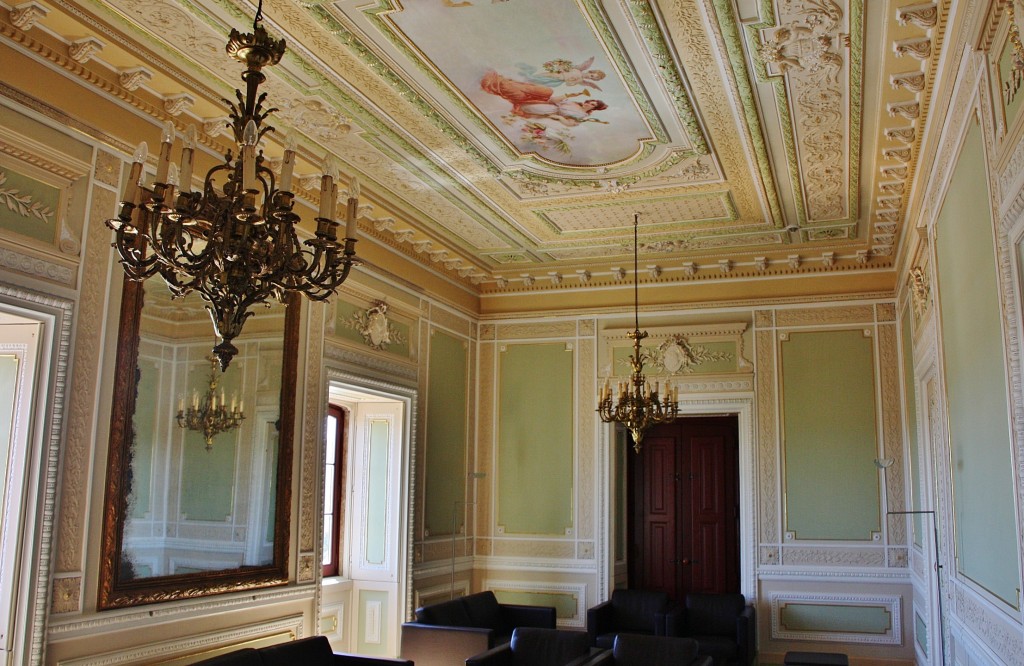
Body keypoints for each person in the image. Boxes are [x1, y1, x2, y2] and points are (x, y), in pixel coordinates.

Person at [481, 70, 608, 126]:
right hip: (547, 100)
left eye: (592, 104)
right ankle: (504, 82)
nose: (589, 103)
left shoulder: (581, 116)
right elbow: (553, 100)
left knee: (520, 97)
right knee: (547, 90)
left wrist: (559, 118)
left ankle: (498, 84)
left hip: (547, 108)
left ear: (594, 109)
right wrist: (569, 95)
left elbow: (570, 123)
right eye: (590, 101)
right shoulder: (573, 103)